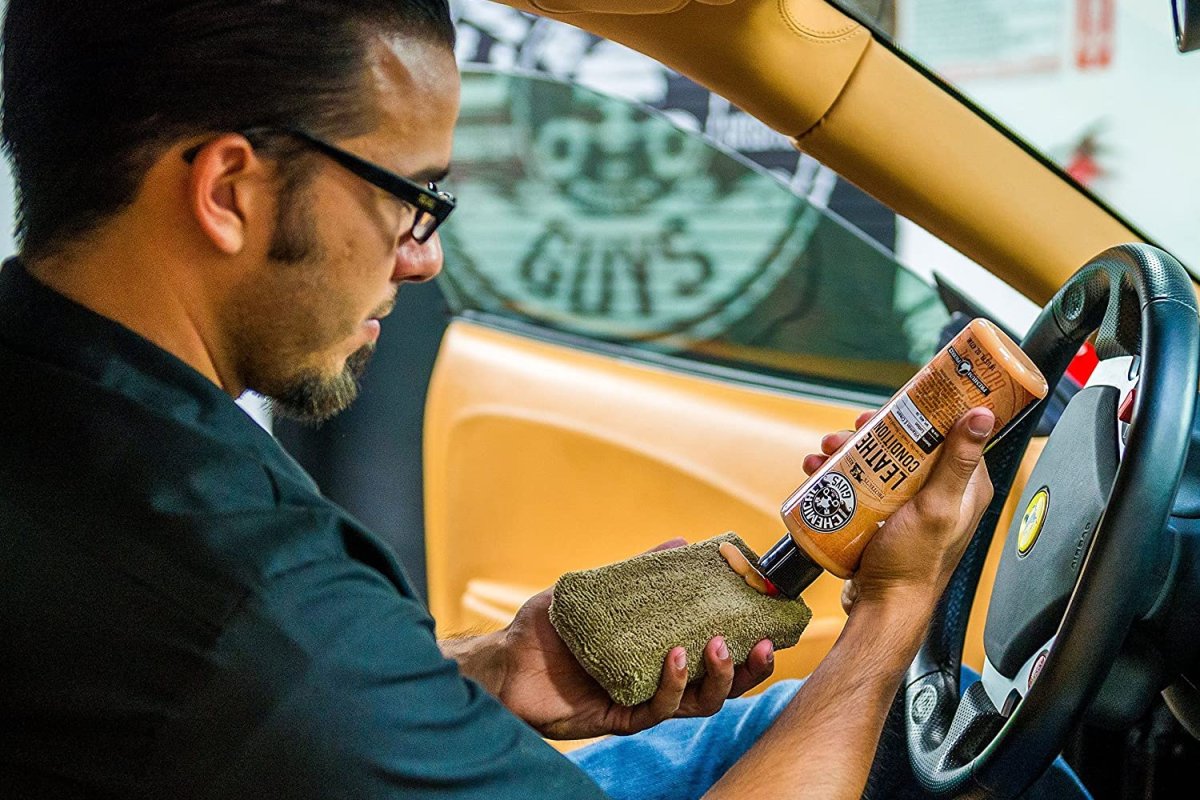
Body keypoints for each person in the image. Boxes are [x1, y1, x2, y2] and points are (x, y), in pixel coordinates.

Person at [0, 2, 1086, 798]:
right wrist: (894, 615)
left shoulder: (73, 405)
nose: (422, 261)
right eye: (411, 200)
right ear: (230, 190)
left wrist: (491, 673)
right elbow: (285, 684)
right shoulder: (266, 629)